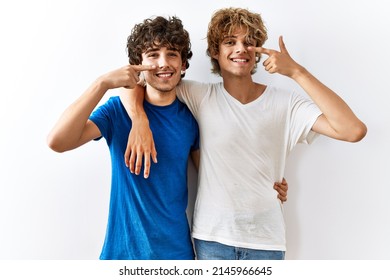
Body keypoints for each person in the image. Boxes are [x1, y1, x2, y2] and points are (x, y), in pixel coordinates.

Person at [121, 7, 367, 260]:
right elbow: (140, 81)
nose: (241, 48)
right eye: (230, 42)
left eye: (249, 42)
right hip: (212, 239)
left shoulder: (286, 104)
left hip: (266, 240)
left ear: (258, 51)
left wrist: (296, 72)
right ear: (216, 52)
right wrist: (139, 120)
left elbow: (352, 130)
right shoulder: (200, 95)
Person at [46, 14, 290, 260]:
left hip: (177, 255)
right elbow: (58, 141)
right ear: (137, 64)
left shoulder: (191, 117)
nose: (163, 63)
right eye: (153, 55)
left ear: (183, 64)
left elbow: (215, 176)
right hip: (122, 255)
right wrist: (102, 84)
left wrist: (267, 184)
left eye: (172, 53)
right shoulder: (118, 112)